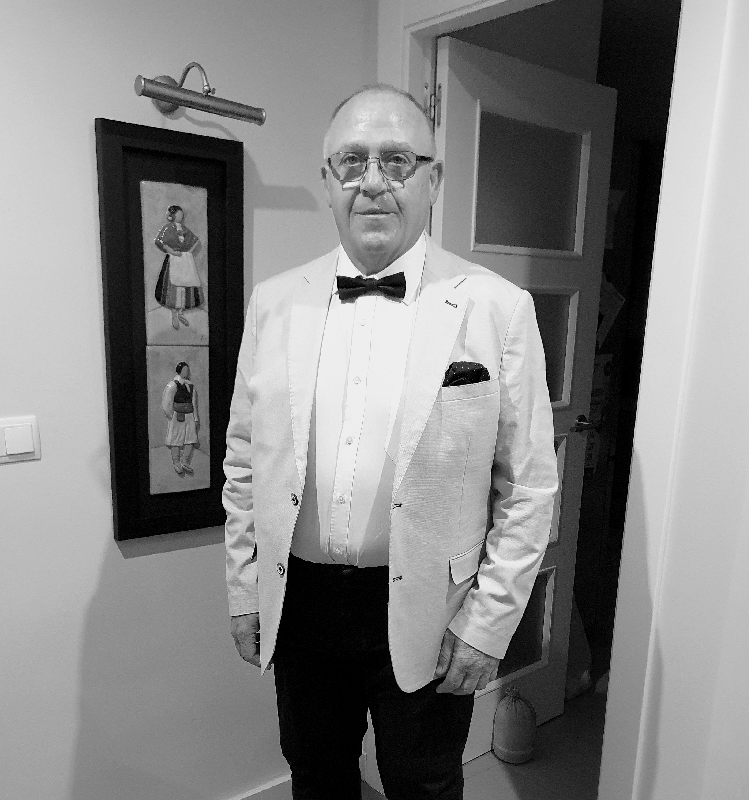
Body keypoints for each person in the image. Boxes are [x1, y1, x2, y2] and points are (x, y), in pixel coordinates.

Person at [223, 84, 558, 800]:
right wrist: (246, 589)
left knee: (423, 786)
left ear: (433, 179)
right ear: (327, 180)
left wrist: (487, 626)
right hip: (301, 603)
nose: (372, 181)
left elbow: (529, 487)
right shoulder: (273, 303)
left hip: (434, 608)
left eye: (397, 160)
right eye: (352, 161)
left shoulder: (498, 308)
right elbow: (244, 461)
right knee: (317, 779)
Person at [154, 205, 202, 330]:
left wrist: (189, 253)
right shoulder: (167, 228)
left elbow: (196, 241)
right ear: (172, 215)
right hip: (172, 260)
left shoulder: (184, 229)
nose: (180, 216)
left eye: (181, 215)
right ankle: (174, 314)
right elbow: (159, 241)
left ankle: (180, 312)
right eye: (178, 214)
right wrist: (171, 251)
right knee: (173, 286)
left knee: (185, 285)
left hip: (184, 261)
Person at [161, 361, 199, 475]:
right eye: (184, 370)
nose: (186, 372)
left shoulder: (190, 386)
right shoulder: (173, 385)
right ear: (179, 371)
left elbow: (194, 403)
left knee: (190, 438)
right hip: (177, 415)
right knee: (176, 439)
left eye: (187, 370)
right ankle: (176, 462)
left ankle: (185, 461)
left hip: (189, 415)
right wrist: (171, 415)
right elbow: (167, 402)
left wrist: (195, 418)